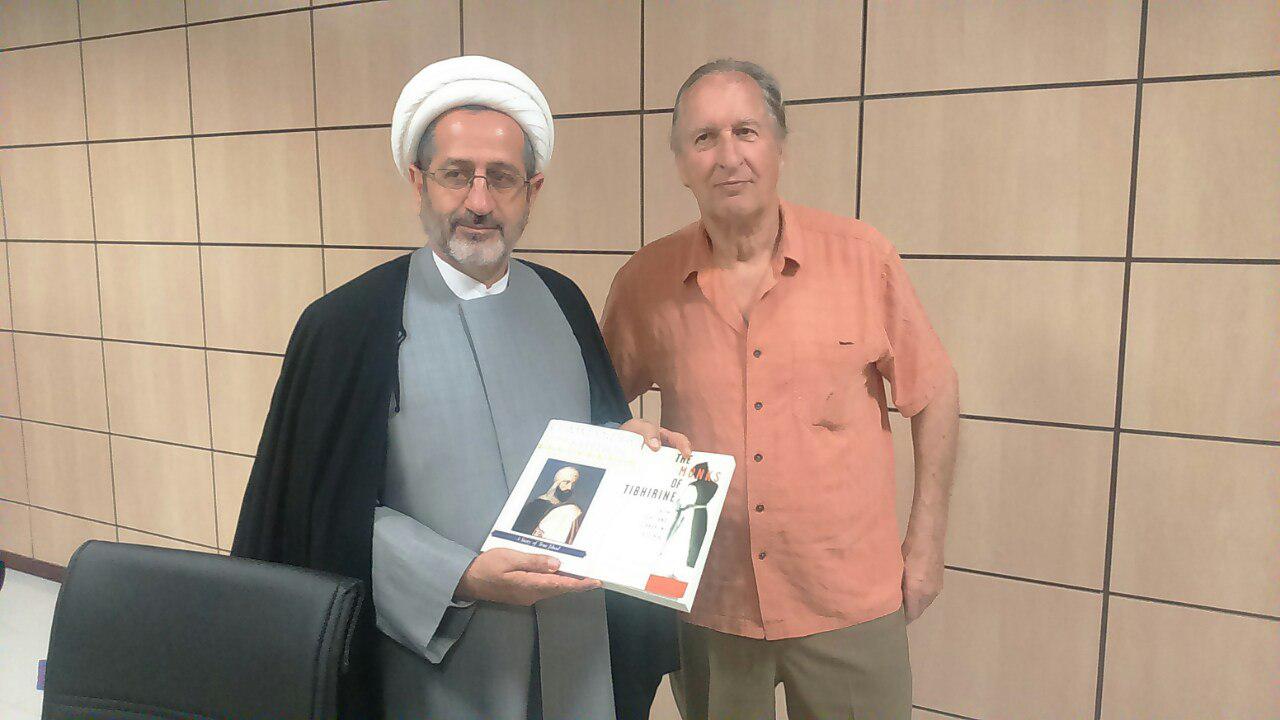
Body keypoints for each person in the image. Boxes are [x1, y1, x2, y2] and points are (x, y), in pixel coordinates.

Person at [233, 55, 689, 720]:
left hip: (577, 646)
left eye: (501, 178)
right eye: (456, 175)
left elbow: (586, 446)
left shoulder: (563, 301)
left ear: (532, 189)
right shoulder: (347, 325)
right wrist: (461, 575)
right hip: (432, 663)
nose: (479, 202)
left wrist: (626, 443)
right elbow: (322, 515)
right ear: (418, 181)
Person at [602, 59, 960, 720]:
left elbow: (934, 393)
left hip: (846, 597)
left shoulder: (862, 258)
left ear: (780, 147)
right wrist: (625, 451)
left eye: (746, 131)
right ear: (680, 163)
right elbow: (595, 411)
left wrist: (927, 544)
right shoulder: (645, 282)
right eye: (704, 138)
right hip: (710, 600)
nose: (728, 156)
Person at [513, 466, 580, 536]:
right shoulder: (536, 505)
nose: (569, 487)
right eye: (566, 482)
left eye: (573, 484)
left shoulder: (569, 508)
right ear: (557, 483)